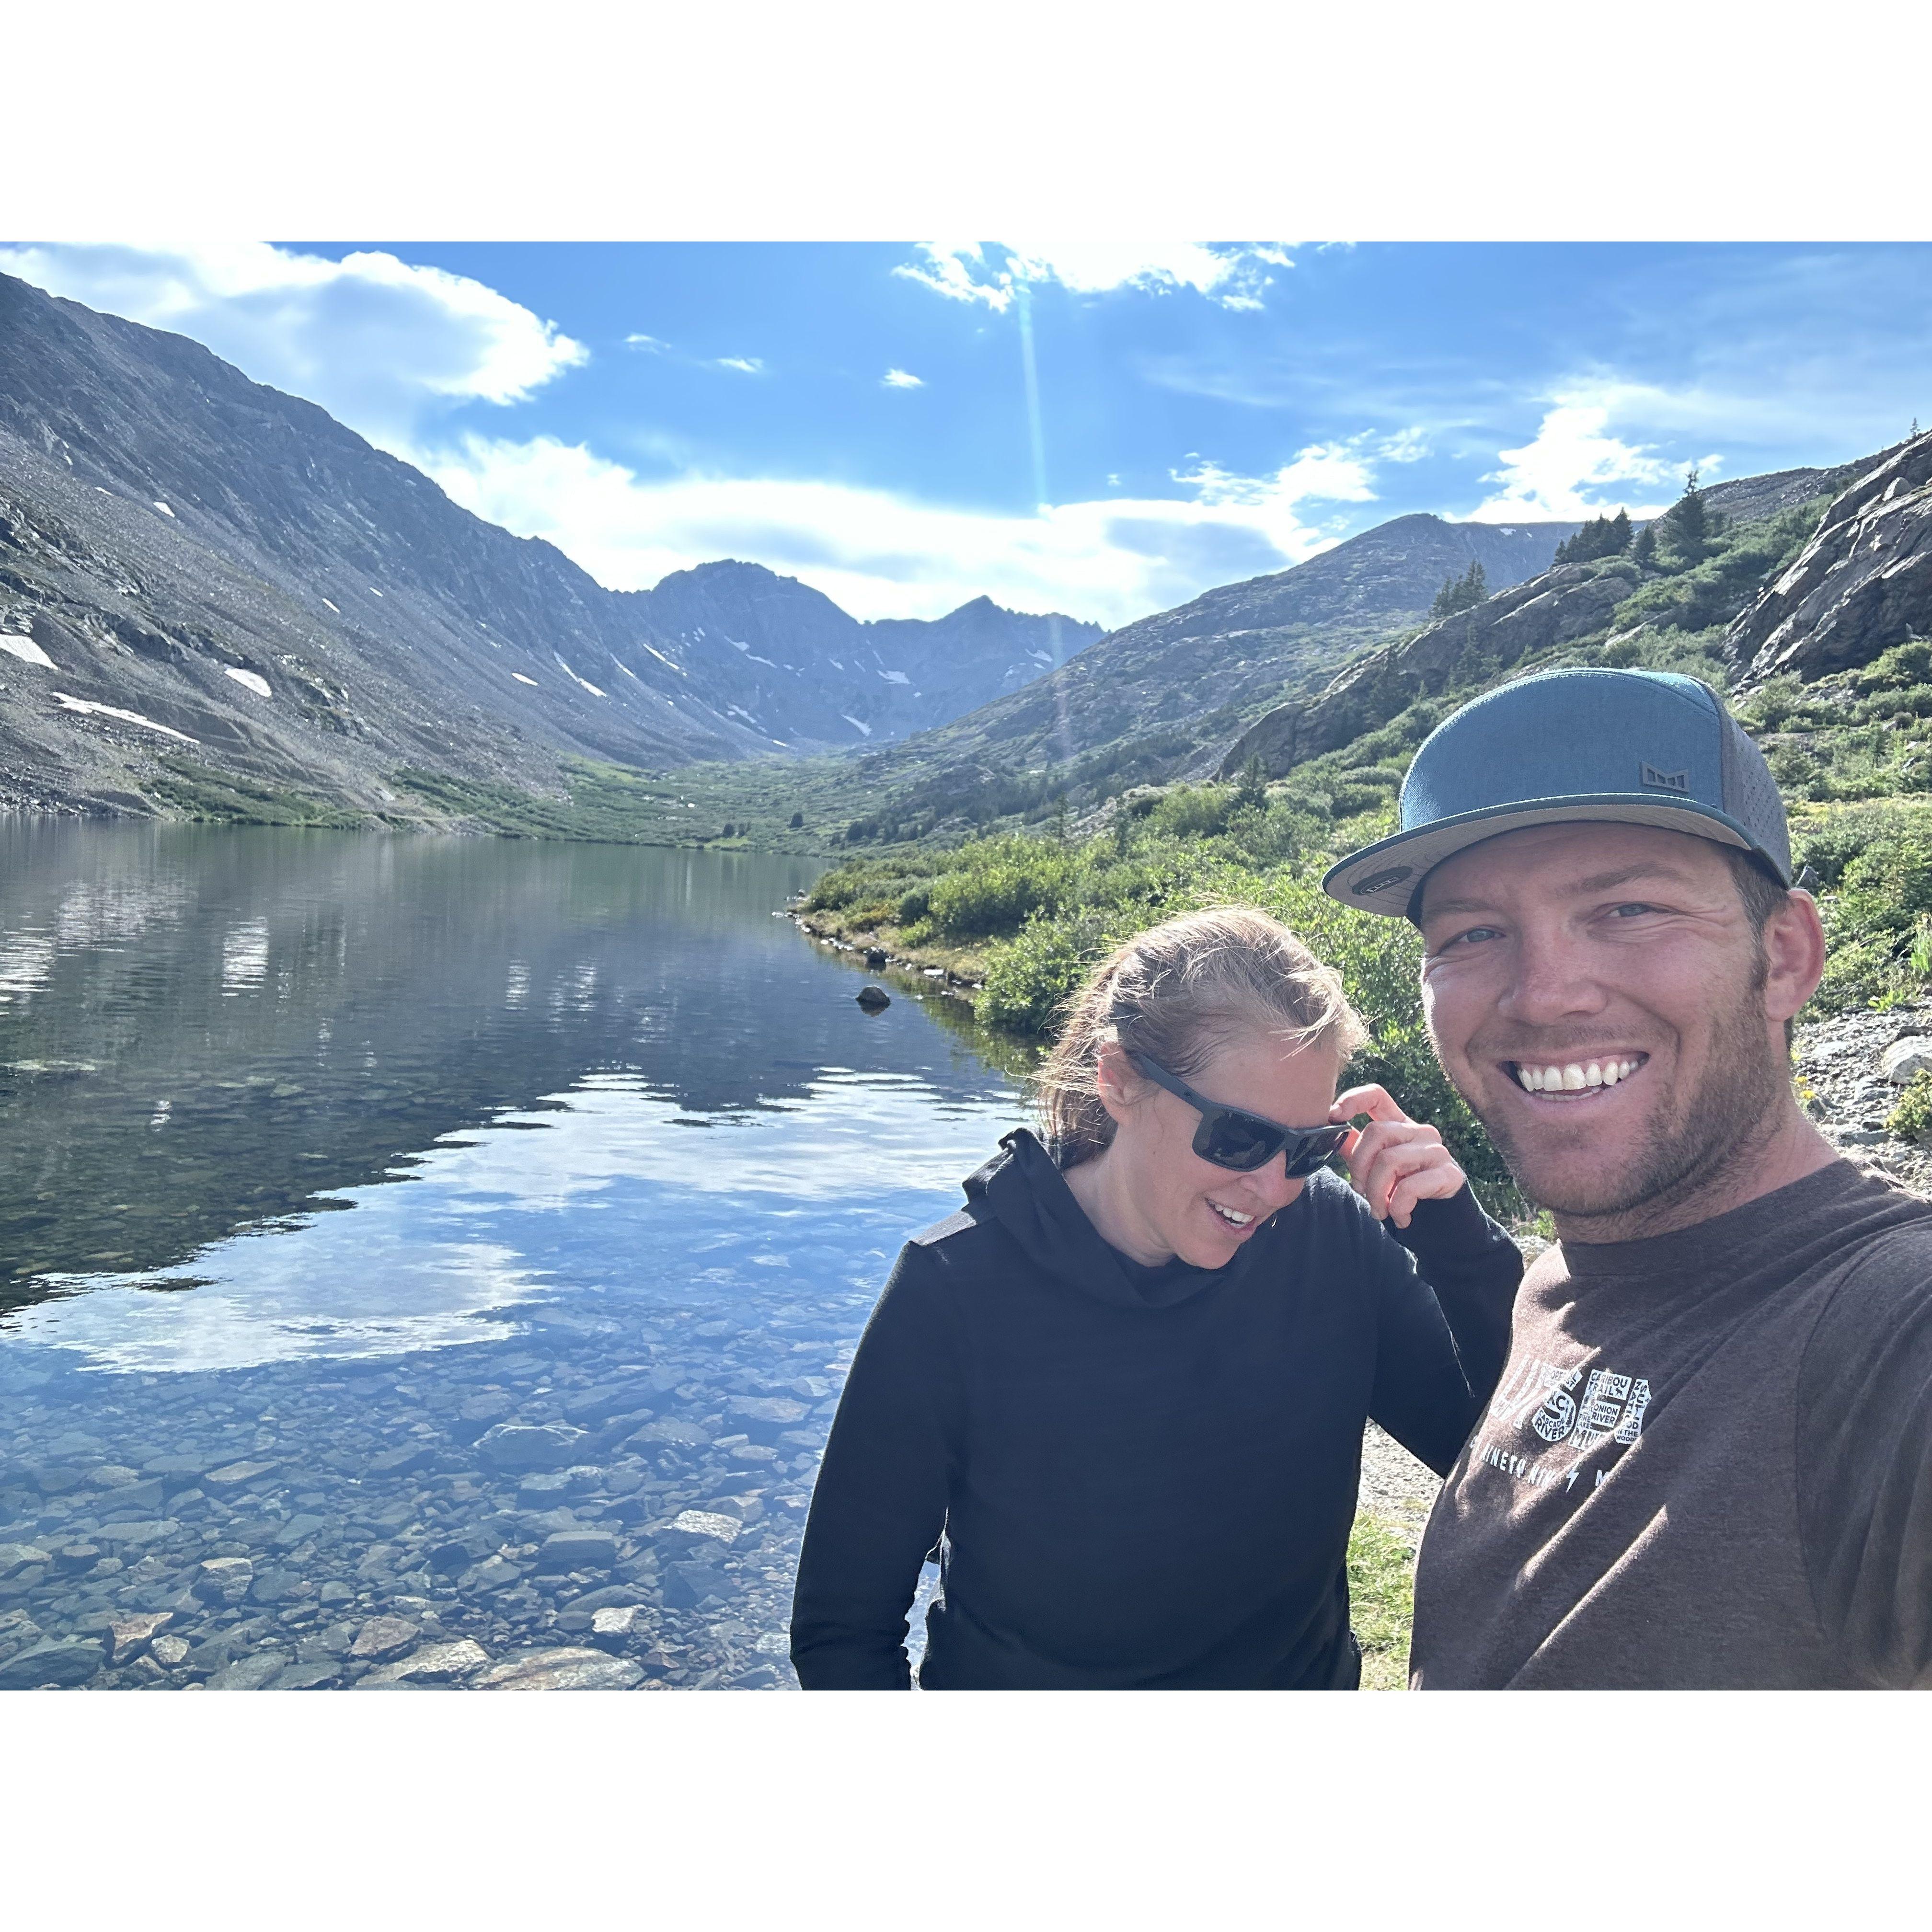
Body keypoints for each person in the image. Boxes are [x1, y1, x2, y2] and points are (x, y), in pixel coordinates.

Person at [1324, 665, 1932, 1689]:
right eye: (1473, 933)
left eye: (1628, 909)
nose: (1545, 995)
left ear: (1785, 955)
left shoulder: (1892, 1336)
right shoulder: (1560, 1287)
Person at [789, 905, 1522, 1689]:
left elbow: (1504, 1461)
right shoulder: (957, 1289)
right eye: (1237, 1138)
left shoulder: (1330, 1242)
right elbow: (844, 1628)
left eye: (1308, 1148)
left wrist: (1458, 1245)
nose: (1273, 1187)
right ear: (1120, 1079)